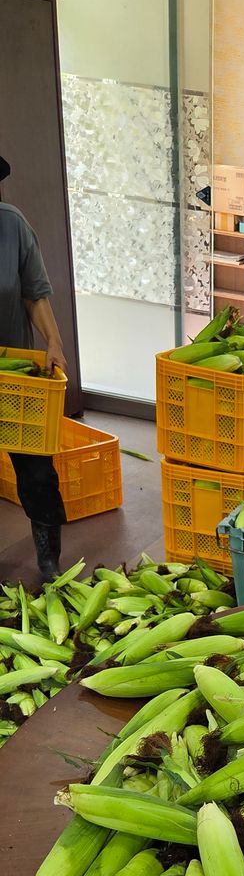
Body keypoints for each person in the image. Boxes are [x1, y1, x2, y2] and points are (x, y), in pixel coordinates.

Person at [0, 153, 67, 581]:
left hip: (15, 377)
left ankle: (48, 560)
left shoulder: (12, 225)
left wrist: (54, 342)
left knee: (37, 471)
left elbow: (35, 293)